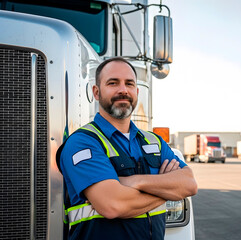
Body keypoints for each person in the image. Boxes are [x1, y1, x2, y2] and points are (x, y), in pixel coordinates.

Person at [56, 57, 198, 240]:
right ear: (96, 92)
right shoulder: (83, 142)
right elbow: (112, 205)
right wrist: (168, 190)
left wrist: (135, 181)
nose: (123, 90)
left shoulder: (153, 141)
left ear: (137, 92)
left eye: (129, 84)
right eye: (113, 83)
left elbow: (189, 184)